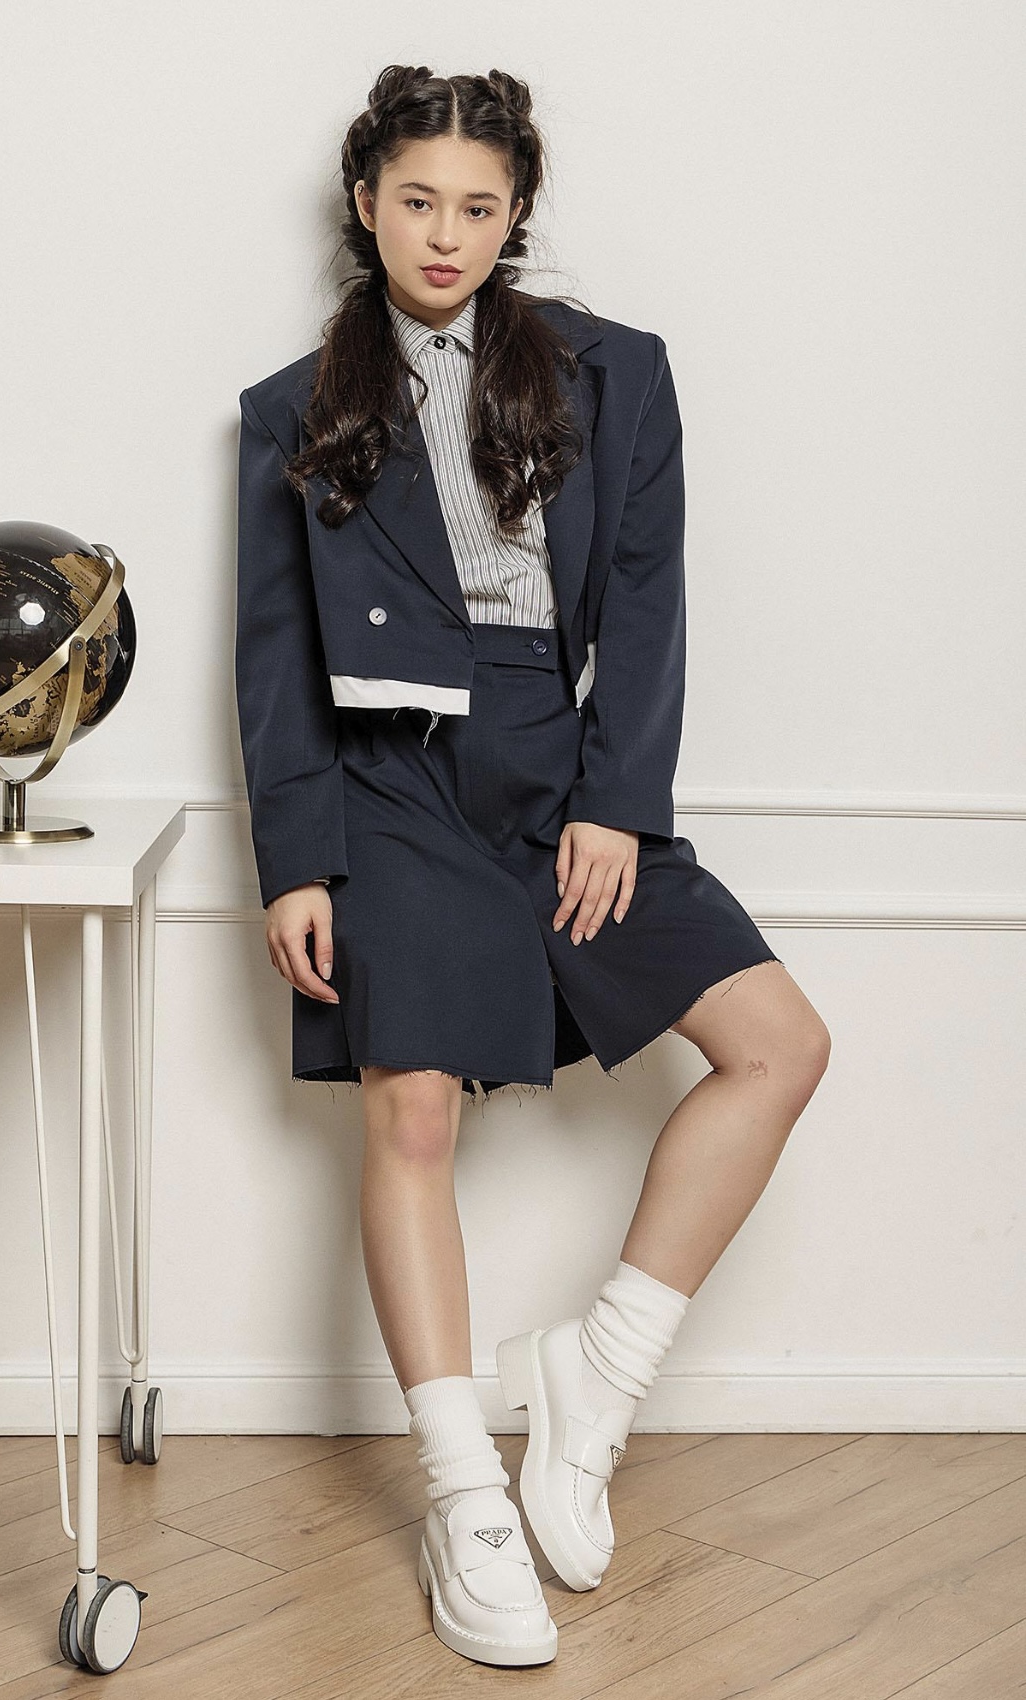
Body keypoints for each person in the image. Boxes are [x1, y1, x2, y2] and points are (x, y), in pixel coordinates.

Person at [234, 64, 831, 1669]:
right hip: (392, 779)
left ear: (516, 214)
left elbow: (648, 595)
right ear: (366, 203)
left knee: (779, 1046)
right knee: (414, 1110)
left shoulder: (615, 371)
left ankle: (599, 1370)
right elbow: (276, 656)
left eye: (480, 206)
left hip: (562, 771)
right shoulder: (296, 407)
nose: (447, 234)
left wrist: (616, 802)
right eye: (418, 200)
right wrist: (296, 858)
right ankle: (461, 1494)